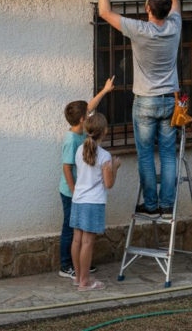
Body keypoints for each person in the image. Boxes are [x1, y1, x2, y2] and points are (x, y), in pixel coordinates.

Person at [97, 0, 182, 216]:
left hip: (145, 101)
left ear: (147, 9)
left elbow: (103, 12)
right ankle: (167, 205)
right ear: (166, 11)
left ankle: (151, 205)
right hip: (169, 100)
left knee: (146, 155)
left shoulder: (139, 29)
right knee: (167, 154)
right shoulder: (174, 26)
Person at [58, 77, 115, 280]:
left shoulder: (84, 139)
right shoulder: (73, 141)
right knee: (72, 231)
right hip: (72, 192)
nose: (89, 113)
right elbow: (66, 169)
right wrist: (74, 193)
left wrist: (105, 90)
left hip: (80, 194)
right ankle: (67, 266)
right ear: (83, 120)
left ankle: (81, 268)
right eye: (87, 114)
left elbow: (90, 106)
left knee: (78, 236)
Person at [70, 113, 121, 292]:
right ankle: (85, 282)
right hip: (93, 203)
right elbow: (109, 184)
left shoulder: (79, 150)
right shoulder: (104, 155)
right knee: (87, 243)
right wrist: (114, 167)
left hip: (78, 201)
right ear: (104, 131)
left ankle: (78, 277)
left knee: (77, 240)